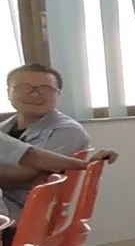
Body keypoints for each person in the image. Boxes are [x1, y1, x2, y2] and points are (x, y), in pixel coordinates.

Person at [0, 65, 117, 223]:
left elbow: (24, 174)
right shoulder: (4, 128)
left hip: (26, 216)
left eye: (45, 89)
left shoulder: (68, 130)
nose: (34, 94)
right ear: (9, 92)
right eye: (24, 88)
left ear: (58, 94)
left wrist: (24, 175)